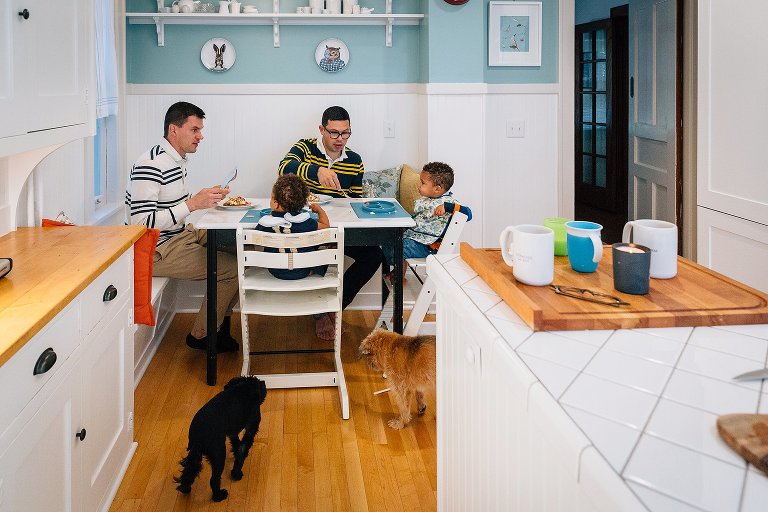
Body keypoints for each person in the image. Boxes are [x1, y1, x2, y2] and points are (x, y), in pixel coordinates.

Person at [126, 101, 240, 353]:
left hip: (179, 234)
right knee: (231, 270)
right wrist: (192, 204)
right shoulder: (151, 165)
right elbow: (141, 225)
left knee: (236, 247)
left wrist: (203, 198)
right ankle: (200, 334)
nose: (201, 136)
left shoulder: (176, 160)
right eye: (195, 130)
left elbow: (176, 207)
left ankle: (217, 327)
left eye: (200, 130)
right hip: (156, 248)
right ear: (173, 129)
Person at [278, 106, 384, 340]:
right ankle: (319, 315)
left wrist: (360, 204)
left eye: (345, 133)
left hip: (340, 226)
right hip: (306, 224)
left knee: (374, 255)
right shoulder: (305, 147)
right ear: (321, 129)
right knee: (319, 248)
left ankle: (332, 308)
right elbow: (284, 168)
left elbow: (355, 198)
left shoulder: (354, 160)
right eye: (334, 133)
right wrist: (317, 171)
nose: (340, 139)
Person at [383, 162, 461, 279]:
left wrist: (447, 207)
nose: (419, 185)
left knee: (400, 247)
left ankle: (399, 276)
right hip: (416, 238)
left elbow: (469, 214)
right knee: (388, 239)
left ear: (437, 189)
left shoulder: (448, 202)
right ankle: (398, 273)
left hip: (428, 245)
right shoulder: (425, 200)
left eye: (423, 183)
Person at [256, 174, 330, 281]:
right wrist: (319, 210)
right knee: (324, 248)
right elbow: (326, 226)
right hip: (303, 271)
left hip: (275, 270)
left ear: (276, 204)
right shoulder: (306, 222)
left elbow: (257, 240)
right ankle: (313, 270)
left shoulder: (265, 224)